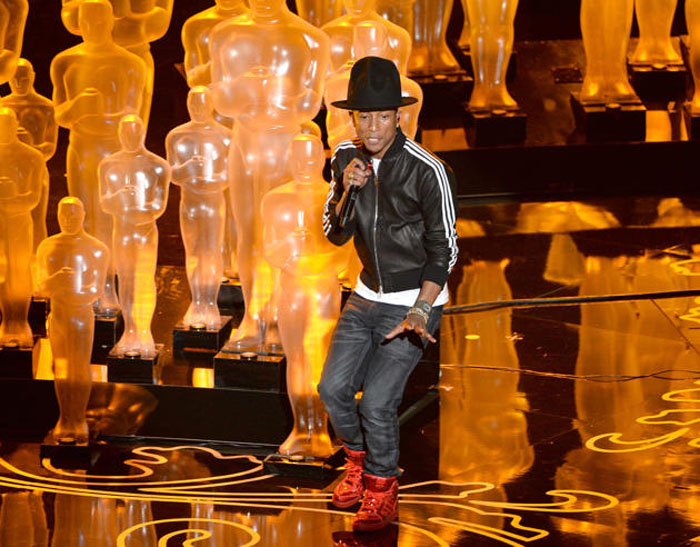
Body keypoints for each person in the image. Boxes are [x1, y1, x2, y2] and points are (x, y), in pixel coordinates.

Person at [319, 56, 458, 532]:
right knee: (332, 389)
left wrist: (421, 309)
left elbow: (444, 249)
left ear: (399, 116)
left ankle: (382, 487)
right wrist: (347, 190)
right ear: (353, 118)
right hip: (365, 295)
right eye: (364, 117)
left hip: (413, 302)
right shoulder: (346, 159)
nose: (373, 127)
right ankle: (357, 464)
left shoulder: (428, 170)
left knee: (376, 402)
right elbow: (335, 233)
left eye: (382, 116)